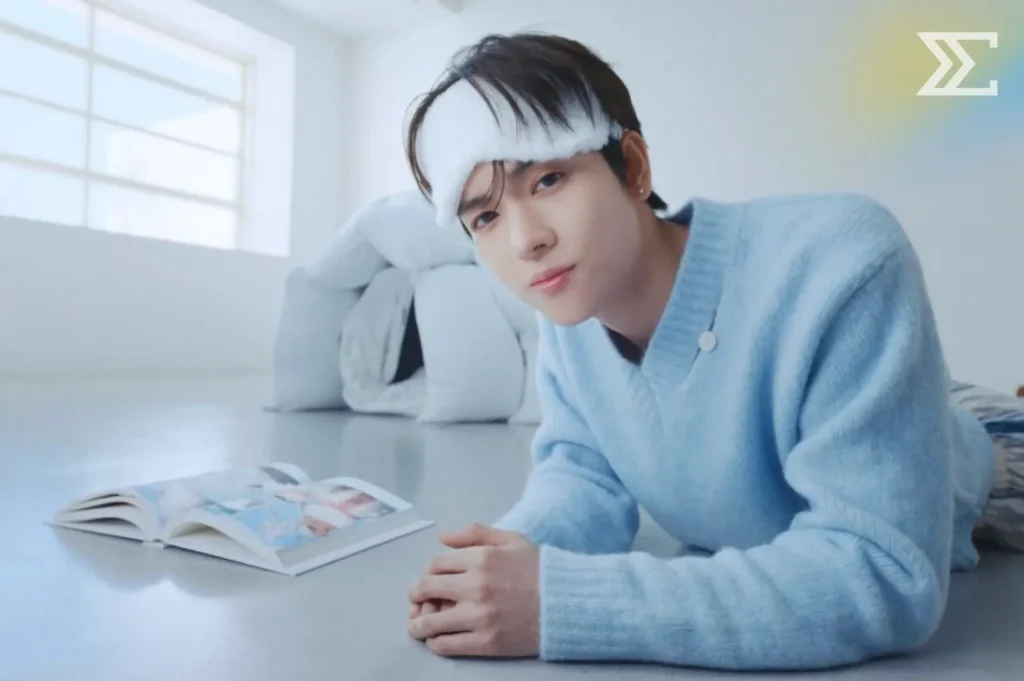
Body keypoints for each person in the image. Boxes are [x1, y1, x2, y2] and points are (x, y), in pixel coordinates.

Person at [400, 32, 1022, 671]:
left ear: (633, 166)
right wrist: (501, 564)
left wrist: (557, 603)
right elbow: (582, 474)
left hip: (996, 463)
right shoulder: (572, 311)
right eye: (485, 218)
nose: (525, 241)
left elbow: (882, 572)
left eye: (549, 179)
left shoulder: (841, 258)